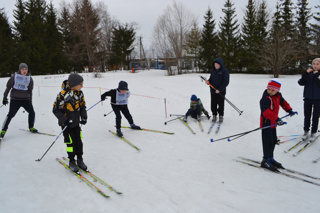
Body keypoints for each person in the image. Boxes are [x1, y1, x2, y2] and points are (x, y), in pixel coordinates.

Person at [53, 73, 88, 173]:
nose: (82, 86)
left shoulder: (80, 93)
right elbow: (55, 109)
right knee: (70, 143)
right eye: (81, 84)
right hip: (66, 124)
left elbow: (82, 106)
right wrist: (64, 120)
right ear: (74, 84)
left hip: (76, 123)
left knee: (78, 142)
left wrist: (84, 117)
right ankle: (72, 161)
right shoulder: (63, 94)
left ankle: (80, 159)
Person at [260, 78, 296, 172]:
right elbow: (266, 112)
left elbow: (283, 103)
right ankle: (265, 160)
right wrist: (276, 119)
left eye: (273, 90)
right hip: (266, 122)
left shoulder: (278, 96)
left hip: (273, 123)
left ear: (277, 90)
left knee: (273, 141)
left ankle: (270, 158)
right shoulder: (265, 98)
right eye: (269, 89)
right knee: (267, 142)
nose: (270, 91)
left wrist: (289, 110)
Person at [1, 63, 37, 139]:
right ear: (20, 70)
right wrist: (5, 98)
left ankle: (31, 127)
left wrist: (30, 100)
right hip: (15, 99)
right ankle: (3, 130)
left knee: (32, 112)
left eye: (26, 69)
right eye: (23, 69)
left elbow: (30, 91)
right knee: (11, 114)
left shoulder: (30, 79)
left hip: (26, 99)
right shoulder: (14, 77)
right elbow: (8, 88)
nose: (24, 71)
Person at [298, 58, 320, 141]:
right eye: (314, 63)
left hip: (318, 99)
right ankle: (306, 131)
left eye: (317, 64)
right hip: (307, 98)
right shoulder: (309, 74)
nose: (315, 65)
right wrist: (306, 73)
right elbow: (301, 82)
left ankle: (313, 132)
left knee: (315, 117)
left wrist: (317, 75)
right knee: (307, 116)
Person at [205, 57, 229, 123]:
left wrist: (220, 89)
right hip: (213, 91)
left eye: (217, 64)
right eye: (215, 64)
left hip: (221, 91)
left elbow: (226, 82)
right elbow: (211, 80)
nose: (215, 65)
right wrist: (208, 82)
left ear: (220, 64)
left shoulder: (225, 71)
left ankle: (221, 116)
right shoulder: (213, 71)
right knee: (213, 104)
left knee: (221, 104)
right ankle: (214, 115)